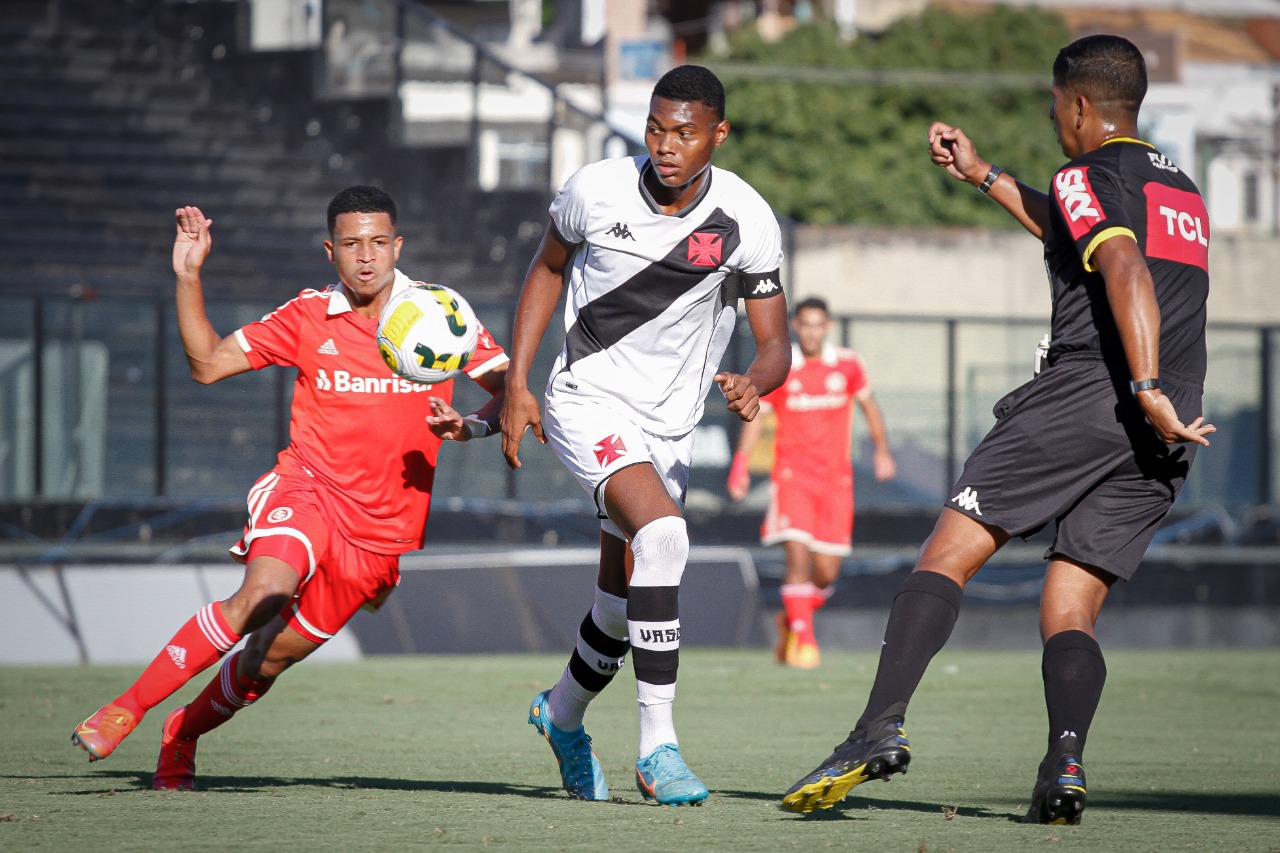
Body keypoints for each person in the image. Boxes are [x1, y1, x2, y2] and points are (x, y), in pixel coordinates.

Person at [782, 34, 1214, 824]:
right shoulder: (1181, 191)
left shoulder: (1087, 172)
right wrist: (983, 174)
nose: (1052, 120)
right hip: (1174, 423)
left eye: (1054, 106)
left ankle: (875, 727)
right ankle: (1065, 762)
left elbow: (1123, 269)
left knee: (946, 554)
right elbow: (1078, 234)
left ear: (1078, 105)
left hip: (1101, 389)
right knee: (1069, 607)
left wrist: (1142, 385)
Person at [71, 186, 510, 790]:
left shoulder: (439, 313)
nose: (365, 256)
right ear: (330, 251)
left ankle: (183, 732)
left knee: (267, 660)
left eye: (378, 242)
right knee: (264, 593)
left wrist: (472, 425)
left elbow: (512, 391)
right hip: (308, 489)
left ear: (397, 246)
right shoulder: (307, 315)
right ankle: (127, 707)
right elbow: (207, 365)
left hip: (382, 531)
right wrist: (188, 276)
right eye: (351, 244)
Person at [500, 64, 791, 806]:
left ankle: (561, 713)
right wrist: (517, 381)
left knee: (622, 600)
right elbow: (547, 270)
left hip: (670, 426)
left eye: (684, 133)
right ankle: (658, 748)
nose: (665, 145)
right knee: (663, 538)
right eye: (656, 129)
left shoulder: (745, 218)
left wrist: (756, 380)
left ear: (718, 135)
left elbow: (775, 344)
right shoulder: (594, 190)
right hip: (587, 398)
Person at [727, 296, 895, 669]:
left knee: (827, 572)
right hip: (793, 480)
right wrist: (740, 465)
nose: (812, 333)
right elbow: (757, 417)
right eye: (805, 325)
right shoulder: (783, 368)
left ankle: (792, 617)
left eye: (818, 325)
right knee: (798, 557)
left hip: (836, 483)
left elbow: (870, 406)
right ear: (796, 327)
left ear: (827, 326)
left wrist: (882, 452)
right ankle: (804, 641)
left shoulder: (848, 364)